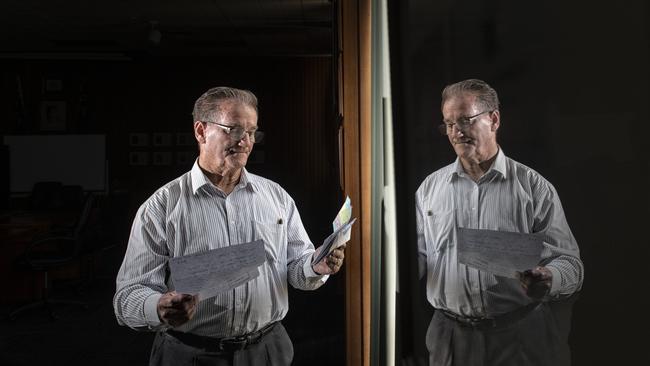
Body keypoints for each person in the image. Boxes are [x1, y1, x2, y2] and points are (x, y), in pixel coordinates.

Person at [114, 86, 346, 366]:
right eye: (234, 130)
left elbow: (296, 270)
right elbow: (127, 297)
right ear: (201, 131)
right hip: (189, 355)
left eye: (252, 132)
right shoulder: (160, 208)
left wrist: (315, 266)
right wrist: (158, 307)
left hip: (269, 351)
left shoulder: (276, 197)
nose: (246, 142)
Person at [415, 79, 583, 366]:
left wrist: (549, 278)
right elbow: (416, 258)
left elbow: (571, 265)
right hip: (449, 339)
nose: (456, 132)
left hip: (520, 338)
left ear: (493, 119)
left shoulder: (534, 189)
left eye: (465, 121)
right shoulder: (429, 190)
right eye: (449, 124)